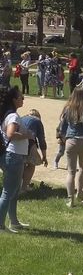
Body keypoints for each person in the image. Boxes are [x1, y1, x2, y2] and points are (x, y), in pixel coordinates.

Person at [0, 86, 32, 232]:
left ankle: (14, 221)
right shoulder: (12, 116)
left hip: (12, 156)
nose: (23, 99)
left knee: (13, 190)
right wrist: (28, 135)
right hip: (13, 156)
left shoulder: (9, 114)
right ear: (14, 100)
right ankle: (0, 225)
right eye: (20, 97)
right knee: (8, 192)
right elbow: (11, 134)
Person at [20, 109, 48, 194]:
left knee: (22, 164)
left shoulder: (22, 118)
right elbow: (41, 140)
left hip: (17, 142)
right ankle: (24, 187)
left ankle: (18, 186)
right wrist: (44, 156)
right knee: (32, 164)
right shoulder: (37, 121)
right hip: (29, 142)